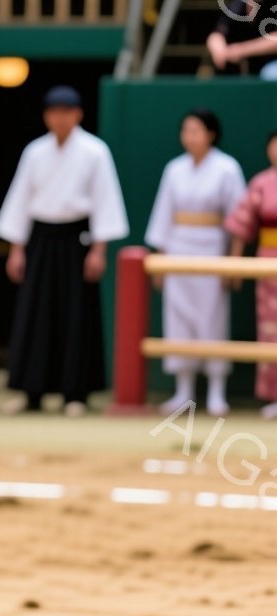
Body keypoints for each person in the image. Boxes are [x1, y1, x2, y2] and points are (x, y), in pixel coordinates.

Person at [0, 85, 128, 417]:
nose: (60, 118)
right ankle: (32, 391)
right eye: (54, 112)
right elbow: (20, 200)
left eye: (66, 112)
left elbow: (105, 201)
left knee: (75, 315)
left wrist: (98, 250)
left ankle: (75, 393)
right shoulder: (35, 151)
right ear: (45, 116)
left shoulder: (95, 151)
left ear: (78, 114)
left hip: (76, 240)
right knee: (35, 314)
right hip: (40, 239)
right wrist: (16, 249)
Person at [144, 110, 246, 418]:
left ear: (211, 134)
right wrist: (161, 259)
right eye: (186, 130)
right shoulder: (174, 169)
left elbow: (238, 218)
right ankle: (183, 391)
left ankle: (216, 391)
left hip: (213, 248)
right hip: (178, 248)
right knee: (177, 318)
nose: (190, 137)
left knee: (213, 317)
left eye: (197, 130)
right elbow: (163, 214)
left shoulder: (227, 168)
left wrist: (233, 260)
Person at [225, 130, 277, 420]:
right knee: (271, 329)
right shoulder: (260, 183)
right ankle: (274, 395)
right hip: (267, 261)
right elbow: (242, 225)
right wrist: (234, 263)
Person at [208, 0, 277, 79]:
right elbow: (216, 34)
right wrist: (219, 49)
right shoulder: (238, 5)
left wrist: (240, 50)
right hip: (245, 71)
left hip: (269, 68)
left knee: (270, 74)